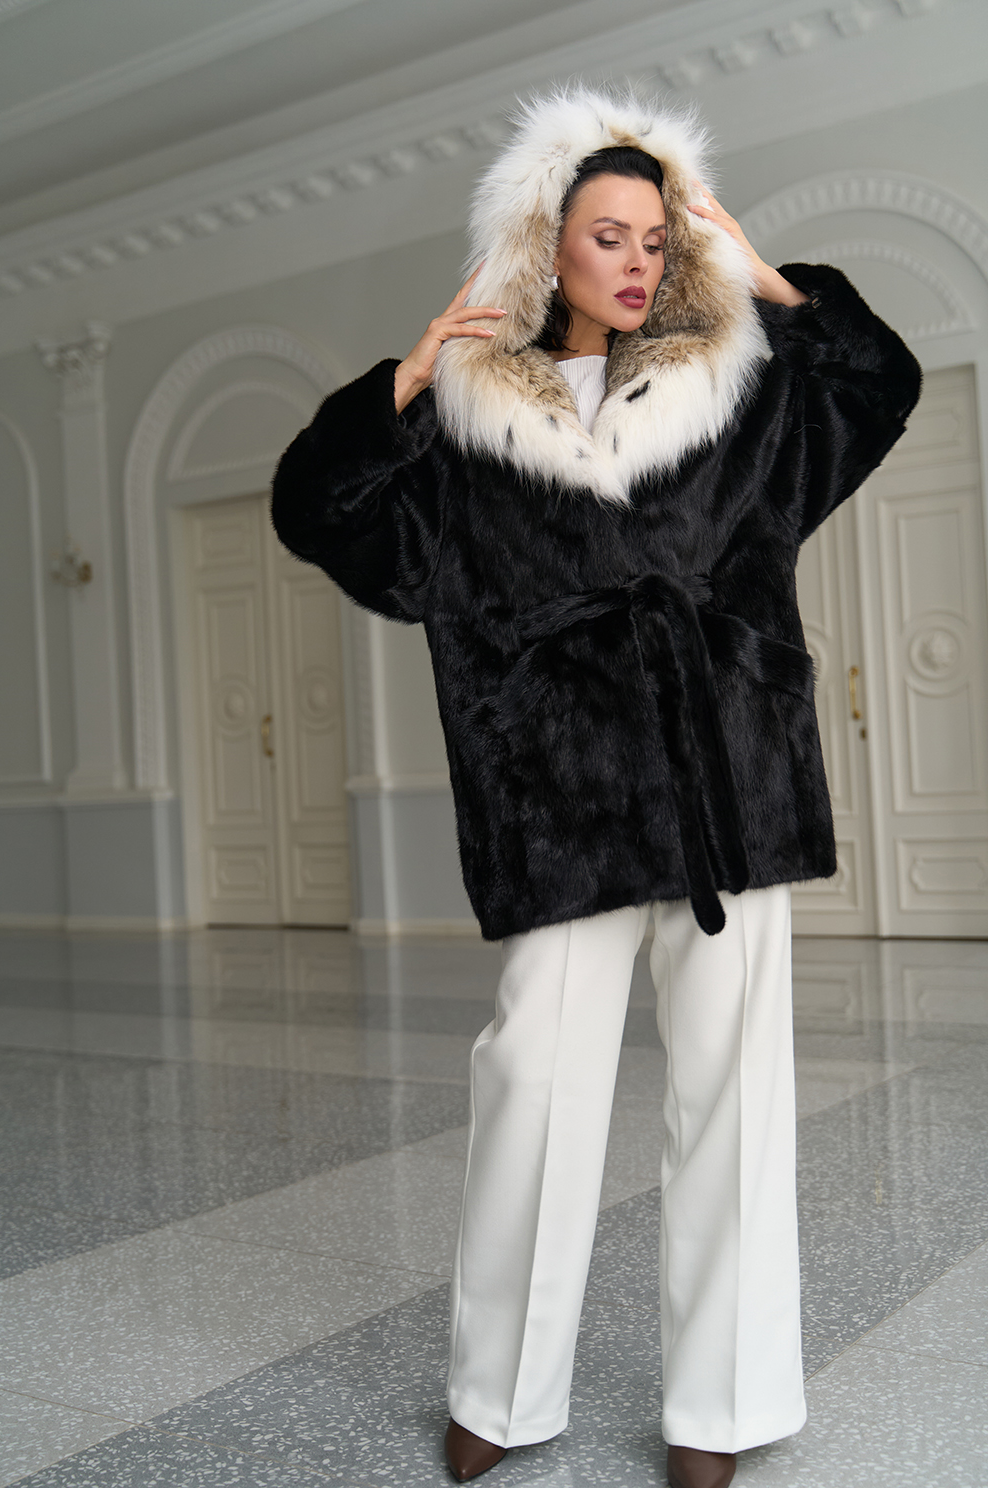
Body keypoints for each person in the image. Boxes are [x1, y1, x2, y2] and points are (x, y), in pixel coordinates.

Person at [271, 87, 921, 1488]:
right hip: (556, 793)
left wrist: (763, 273)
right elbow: (322, 514)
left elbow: (880, 388)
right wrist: (403, 381)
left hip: (727, 785)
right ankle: (500, 1392)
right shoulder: (463, 429)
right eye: (605, 234)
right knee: (534, 1084)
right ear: (541, 242)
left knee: (735, 1097)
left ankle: (723, 1410)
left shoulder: (744, 395)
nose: (634, 260)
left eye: (654, 236)